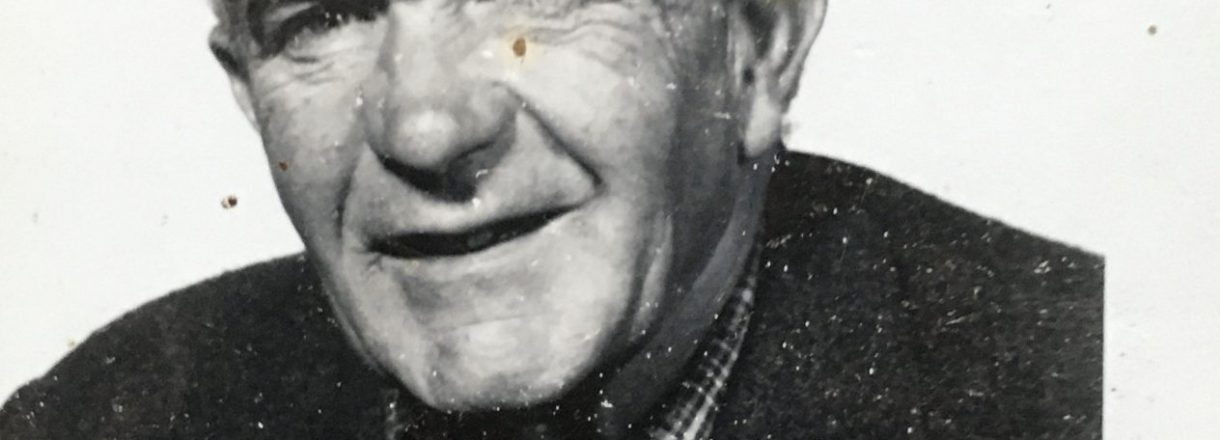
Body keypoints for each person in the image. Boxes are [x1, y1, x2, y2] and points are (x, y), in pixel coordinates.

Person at [0, 0, 1103, 438]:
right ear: (248, 89)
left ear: (758, 42)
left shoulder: (1100, 392)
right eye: (324, 15)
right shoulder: (100, 422)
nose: (425, 125)